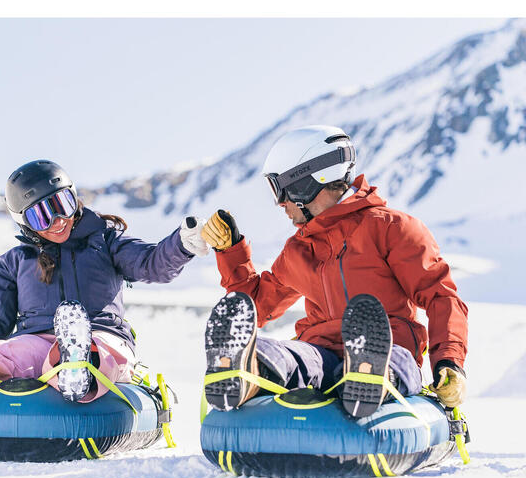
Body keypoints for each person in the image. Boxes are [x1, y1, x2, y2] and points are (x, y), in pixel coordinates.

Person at [200, 125, 469, 419]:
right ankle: (246, 368)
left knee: (392, 362)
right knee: (294, 359)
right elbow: (257, 306)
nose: (281, 203)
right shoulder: (299, 250)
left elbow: (441, 296)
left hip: (390, 348)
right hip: (320, 354)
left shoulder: (391, 228)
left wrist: (449, 362)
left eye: (282, 189)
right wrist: (231, 252)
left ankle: (368, 378)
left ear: (308, 182)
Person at [0, 159, 208, 404]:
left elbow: (151, 263)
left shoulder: (105, 241)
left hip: (101, 333)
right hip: (38, 340)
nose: (58, 220)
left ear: (75, 197)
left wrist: (181, 245)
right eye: (42, 215)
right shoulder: (14, 262)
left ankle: (77, 365)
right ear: (25, 223)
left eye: (62, 203)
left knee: (105, 352)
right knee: (9, 353)